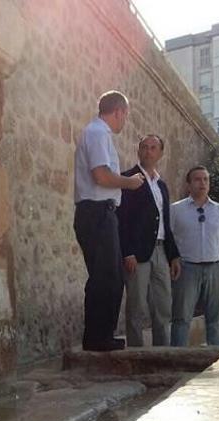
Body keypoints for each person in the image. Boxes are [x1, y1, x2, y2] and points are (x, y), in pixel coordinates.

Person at [73, 90, 145, 352]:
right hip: (96, 212)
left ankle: (102, 335)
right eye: (125, 115)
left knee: (112, 276)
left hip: (102, 213)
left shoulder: (98, 134)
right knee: (105, 277)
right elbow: (101, 176)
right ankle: (96, 338)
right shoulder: (97, 133)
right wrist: (130, 182)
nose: (125, 121)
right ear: (119, 112)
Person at [117, 134, 181, 346]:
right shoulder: (128, 178)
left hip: (162, 252)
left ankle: (162, 353)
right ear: (138, 151)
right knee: (136, 307)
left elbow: (165, 221)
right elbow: (122, 219)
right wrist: (127, 252)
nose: (148, 151)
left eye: (153, 147)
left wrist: (174, 256)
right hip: (138, 254)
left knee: (163, 306)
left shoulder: (161, 186)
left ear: (161, 153)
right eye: (144, 147)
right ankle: (136, 353)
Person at [170, 166, 219, 346]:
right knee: (181, 317)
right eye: (197, 179)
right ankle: (177, 358)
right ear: (188, 184)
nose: (202, 183)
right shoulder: (176, 210)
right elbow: (170, 238)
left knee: (215, 319)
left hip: (216, 268)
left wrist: (212, 254)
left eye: (205, 179)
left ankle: (215, 359)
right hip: (187, 268)